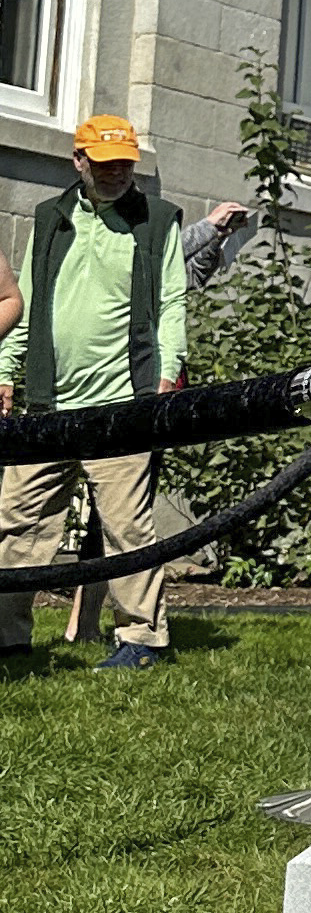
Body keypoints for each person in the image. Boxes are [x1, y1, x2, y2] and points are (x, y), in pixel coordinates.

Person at [0, 114, 183, 669]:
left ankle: (141, 641)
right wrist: (7, 373)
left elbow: (172, 301)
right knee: (15, 519)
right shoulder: (50, 218)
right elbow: (26, 301)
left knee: (128, 527)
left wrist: (168, 372)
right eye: (103, 164)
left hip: (123, 403)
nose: (116, 174)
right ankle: (6, 636)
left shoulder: (157, 221)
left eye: (124, 163)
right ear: (78, 162)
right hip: (49, 401)